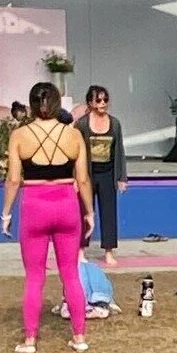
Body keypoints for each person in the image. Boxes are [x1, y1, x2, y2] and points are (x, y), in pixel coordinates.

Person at [0, 82, 92, 353]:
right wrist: (89, 212)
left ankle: (30, 340)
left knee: (34, 276)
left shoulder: (19, 135)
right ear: (56, 104)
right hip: (66, 205)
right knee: (71, 273)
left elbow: (14, 179)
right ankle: (79, 336)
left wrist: (6, 213)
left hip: (35, 206)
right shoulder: (73, 135)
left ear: (31, 105)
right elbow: (83, 179)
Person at [74, 85, 125, 267]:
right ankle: (81, 249)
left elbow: (119, 151)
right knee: (84, 212)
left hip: (107, 173)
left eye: (105, 100)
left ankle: (109, 251)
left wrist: (121, 178)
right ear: (90, 102)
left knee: (109, 213)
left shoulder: (115, 123)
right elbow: (76, 152)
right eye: (98, 100)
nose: (102, 104)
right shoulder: (82, 124)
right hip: (87, 174)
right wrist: (75, 178)